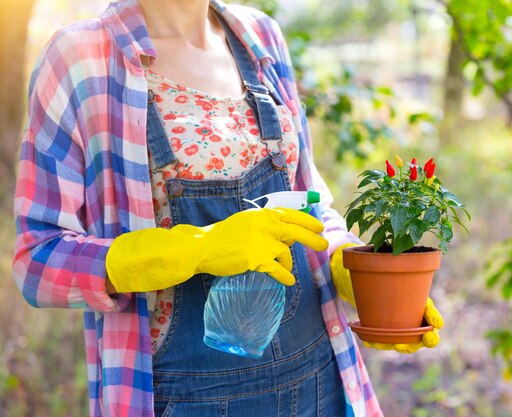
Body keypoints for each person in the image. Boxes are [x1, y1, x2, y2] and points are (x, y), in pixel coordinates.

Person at [12, 0, 444, 416]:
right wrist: (197, 249)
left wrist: (349, 269)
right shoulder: (80, 58)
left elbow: (310, 198)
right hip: (185, 397)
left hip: (320, 379)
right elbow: (38, 260)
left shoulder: (260, 37)